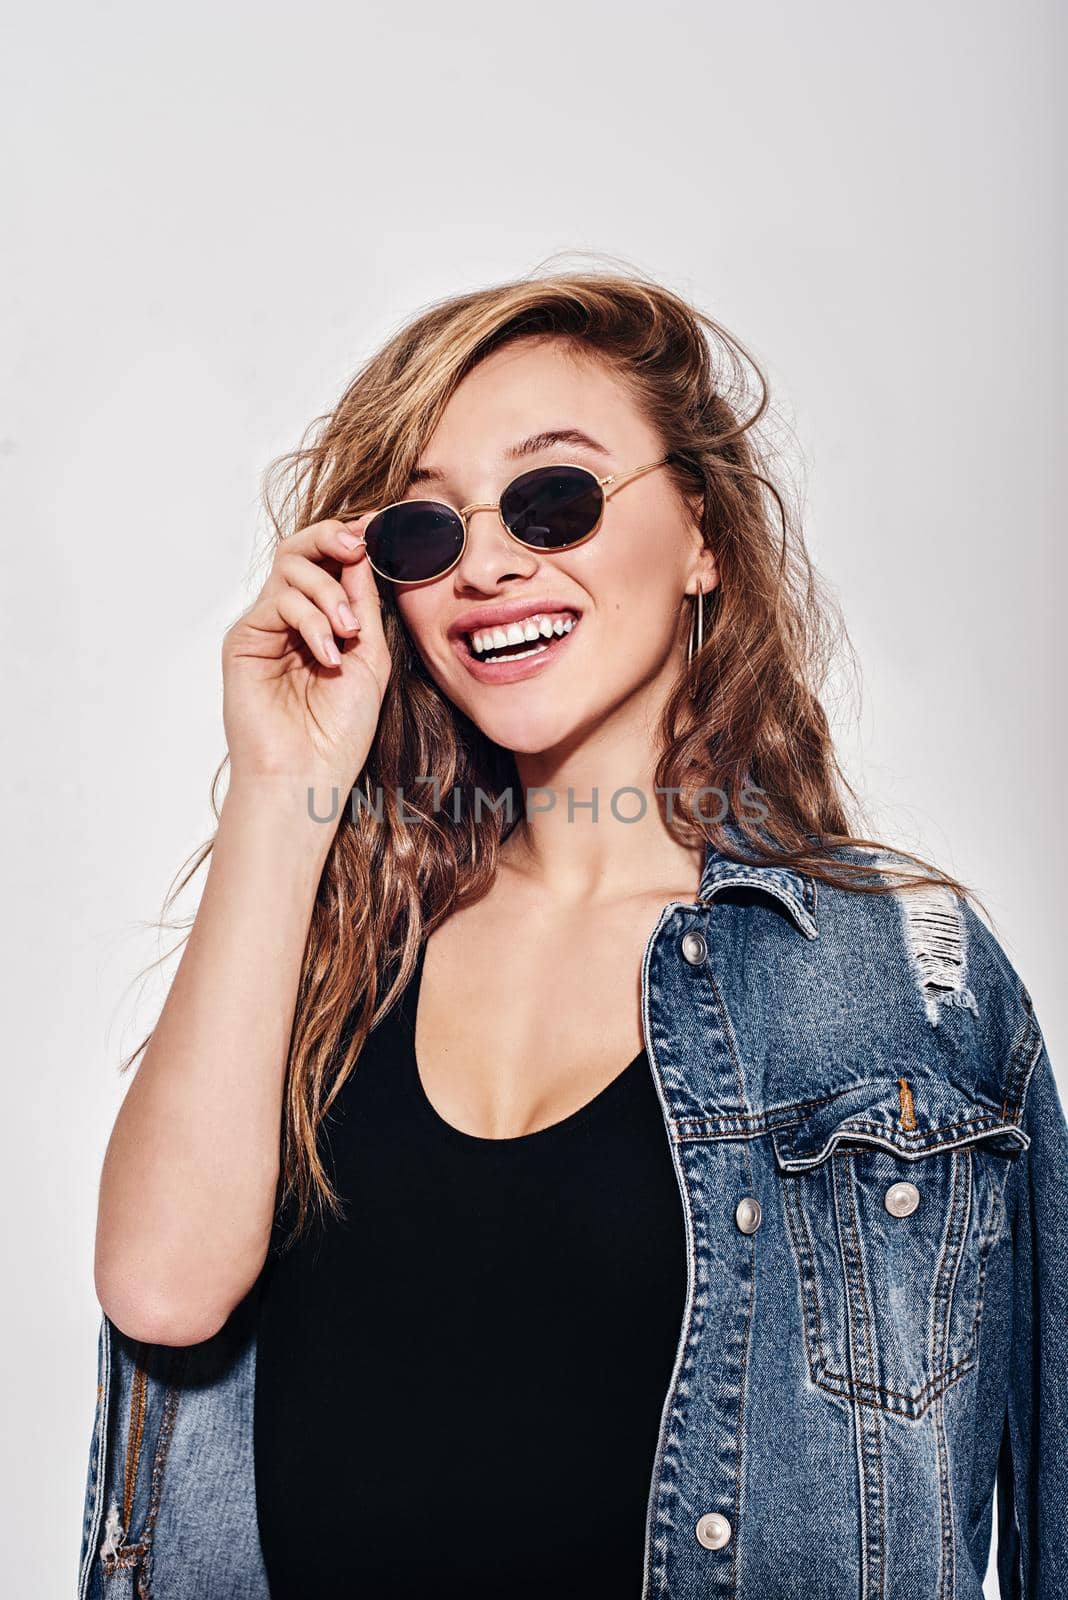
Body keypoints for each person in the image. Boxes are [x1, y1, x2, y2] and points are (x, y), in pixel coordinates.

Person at [79, 269, 1068, 1600]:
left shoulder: (900, 983)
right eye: (424, 531)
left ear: (706, 535)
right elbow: (161, 1295)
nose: (487, 563)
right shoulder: (331, 957)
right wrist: (279, 786)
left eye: (556, 497)